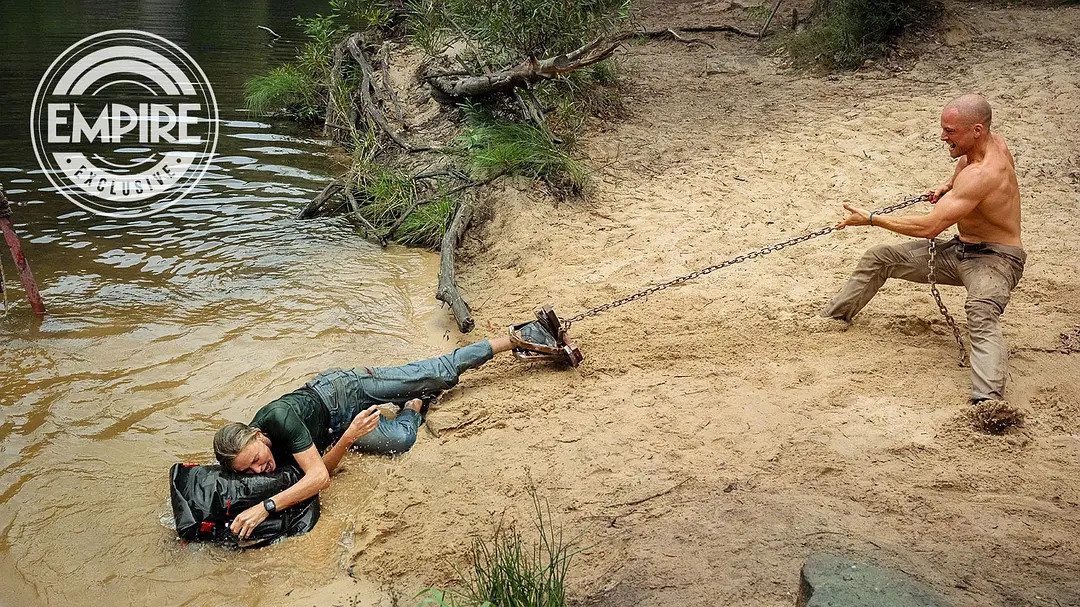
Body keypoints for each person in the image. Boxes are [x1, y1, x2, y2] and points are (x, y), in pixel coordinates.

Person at [212, 318, 562, 539]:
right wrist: (349, 438)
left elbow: (318, 480)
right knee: (403, 438)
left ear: (258, 435)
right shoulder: (256, 454)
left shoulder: (279, 418)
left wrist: (265, 507)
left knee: (438, 372)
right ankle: (416, 401)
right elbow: (322, 469)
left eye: (257, 458)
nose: (262, 468)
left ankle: (520, 336)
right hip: (338, 430)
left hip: (342, 390)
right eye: (250, 470)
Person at [822, 93, 1025, 405]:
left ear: (976, 131)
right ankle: (833, 318)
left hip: (997, 259)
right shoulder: (988, 143)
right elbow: (964, 167)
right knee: (880, 258)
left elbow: (930, 228)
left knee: (981, 312)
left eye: (950, 131)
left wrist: (873, 219)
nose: (943, 136)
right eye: (944, 128)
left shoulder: (984, 173)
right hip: (961, 249)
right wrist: (946, 186)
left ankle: (988, 401)